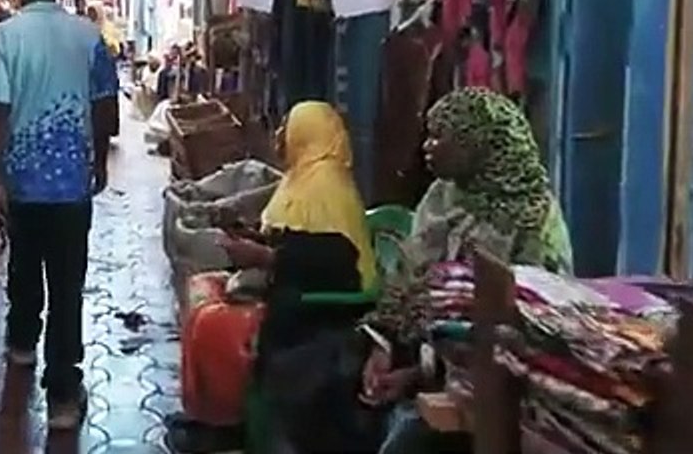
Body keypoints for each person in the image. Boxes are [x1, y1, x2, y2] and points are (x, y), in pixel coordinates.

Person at [360, 87, 573, 454]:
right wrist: (383, 349)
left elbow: (527, 324)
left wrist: (420, 375)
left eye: (440, 136)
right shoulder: (442, 199)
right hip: (435, 368)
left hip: (499, 386)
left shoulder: (532, 219)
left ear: (476, 143)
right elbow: (410, 281)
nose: (427, 146)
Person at [167, 101, 377, 453]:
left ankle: (228, 422)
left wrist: (264, 256)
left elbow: (334, 260)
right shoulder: (304, 179)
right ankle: (213, 415)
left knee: (215, 326)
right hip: (294, 287)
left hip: (322, 307)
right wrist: (253, 236)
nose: (280, 135)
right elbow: (295, 237)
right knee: (202, 297)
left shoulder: (326, 188)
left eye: (288, 128)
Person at [0, 0, 119, 430]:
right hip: (71, 187)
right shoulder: (88, 36)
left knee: (22, 264)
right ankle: (62, 395)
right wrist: (98, 161)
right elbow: (106, 107)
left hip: (22, 183)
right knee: (66, 284)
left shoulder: (3, 36)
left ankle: (21, 345)